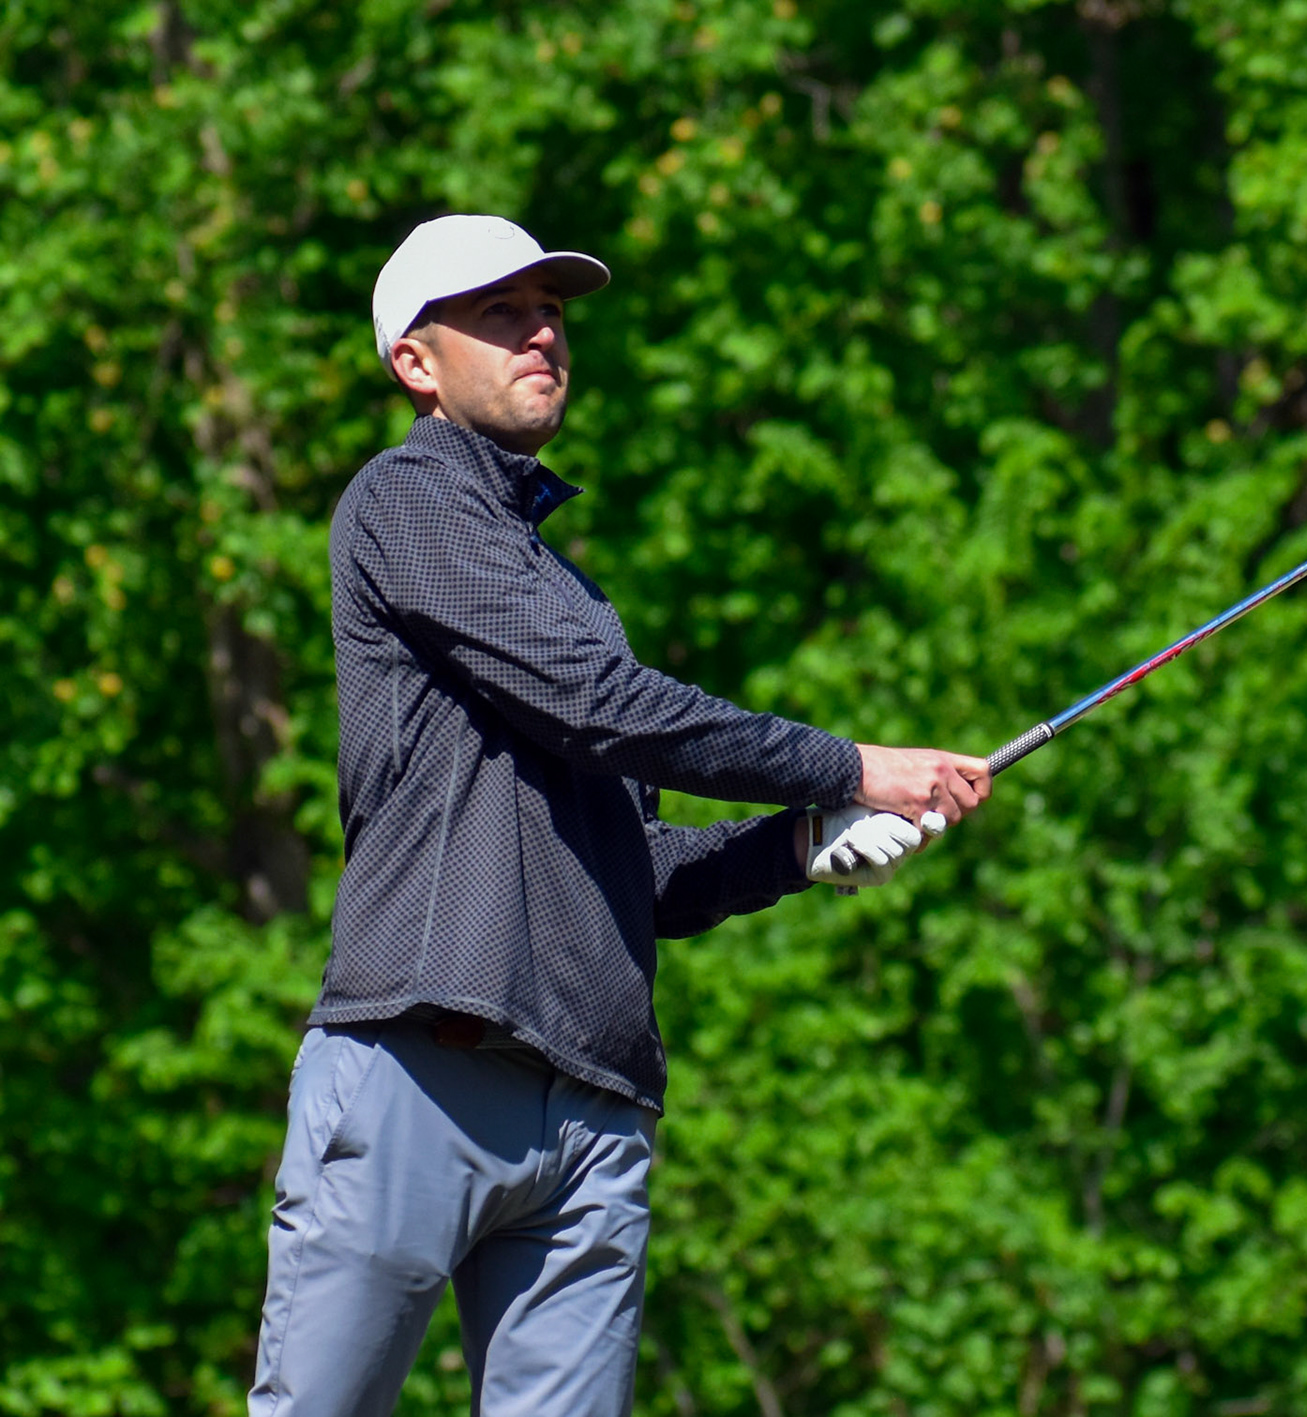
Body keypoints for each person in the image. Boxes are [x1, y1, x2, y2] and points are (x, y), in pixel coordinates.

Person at [248, 214, 990, 1416]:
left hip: (596, 1108)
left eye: (551, 312)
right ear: (415, 362)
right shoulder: (404, 499)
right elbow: (600, 705)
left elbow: (633, 871)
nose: (543, 333)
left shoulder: (574, 593)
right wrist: (848, 767)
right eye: (501, 313)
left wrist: (800, 845)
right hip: (421, 1065)